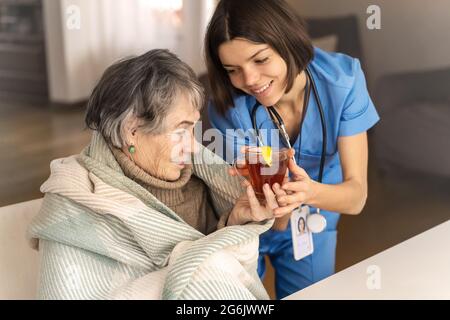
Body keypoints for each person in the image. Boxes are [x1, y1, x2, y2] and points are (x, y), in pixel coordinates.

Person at [27, 49, 283, 300]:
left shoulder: (202, 184)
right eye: (181, 130)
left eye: (194, 127)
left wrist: (234, 224)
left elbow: (229, 277)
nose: (194, 146)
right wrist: (199, 266)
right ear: (132, 131)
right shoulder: (77, 203)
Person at [205, 0, 380, 298]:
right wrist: (284, 205)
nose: (249, 80)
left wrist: (307, 194)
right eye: (233, 70)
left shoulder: (343, 81)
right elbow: (261, 209)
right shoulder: (229, 109)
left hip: (309, 220)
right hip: (245, 224)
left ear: (287, 40)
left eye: (260, 60)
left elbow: (356, 197)